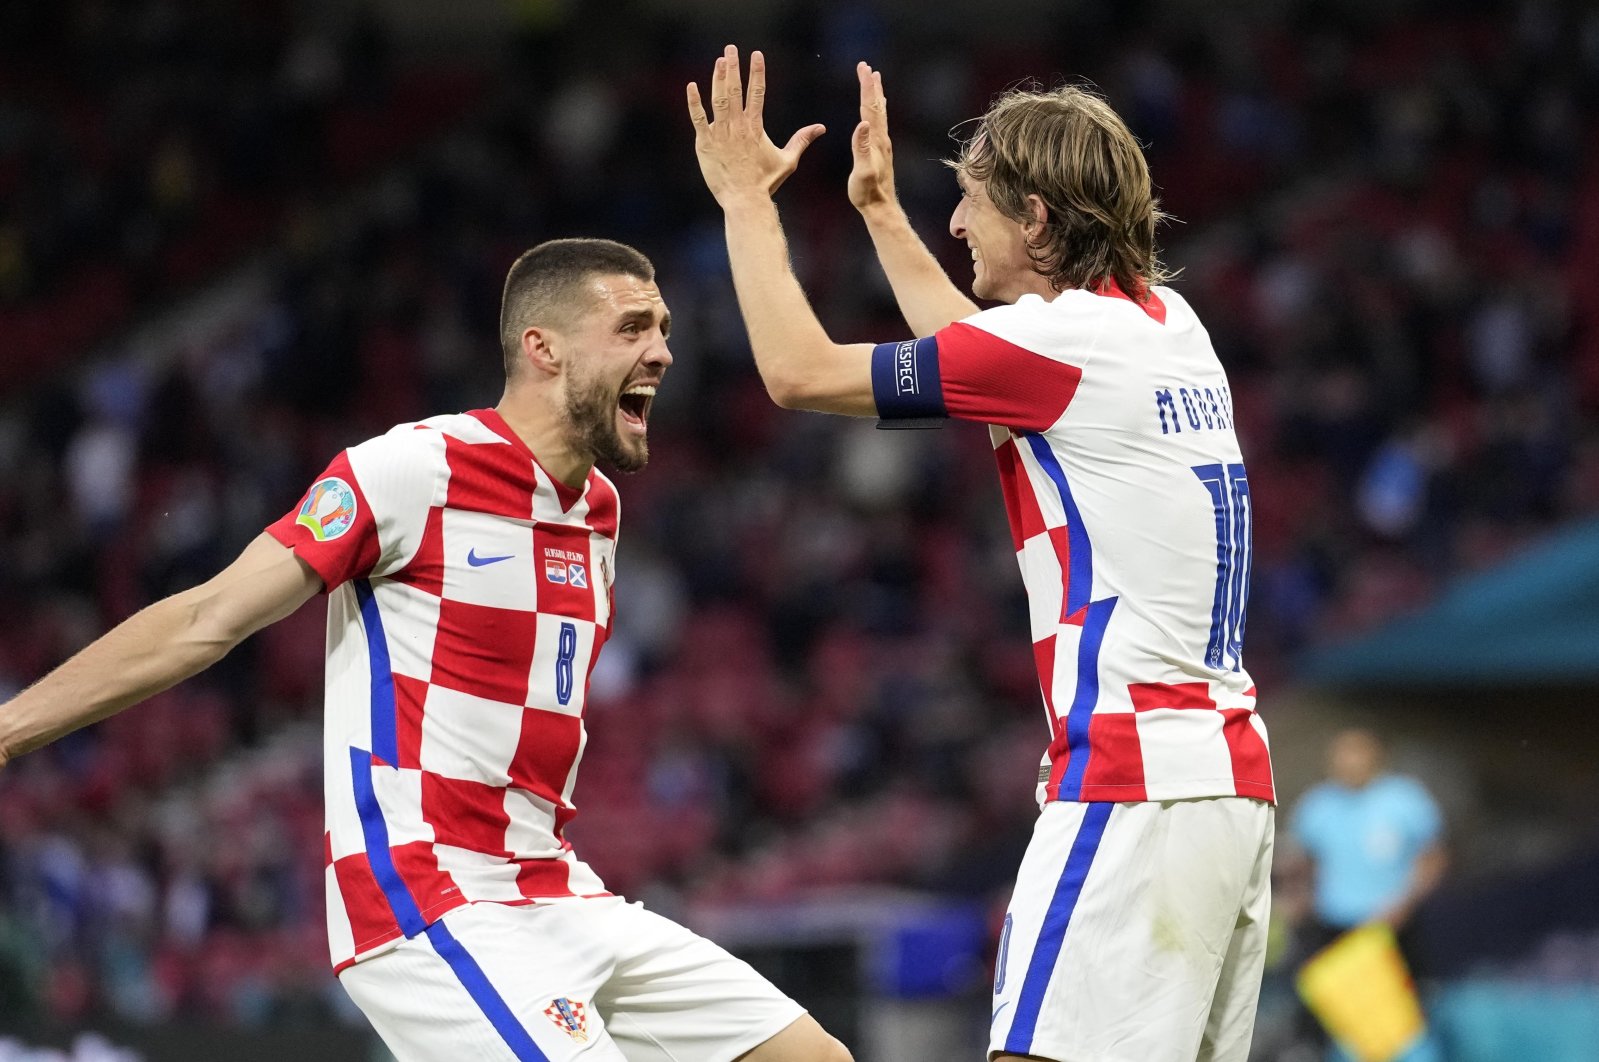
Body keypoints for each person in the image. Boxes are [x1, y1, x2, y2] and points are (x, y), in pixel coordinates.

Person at [0, 239, 852, 1062]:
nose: (663, 352)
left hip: (553, 886)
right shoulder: (411, 469)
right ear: (542, 348)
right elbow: (205, 619)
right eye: (633, 327)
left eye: (663, 327)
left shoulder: (596, 509)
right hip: (427, 892)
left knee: (808, 1055)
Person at [687, 46, 1274, 1062]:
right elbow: (985, 361)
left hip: (1133, 787)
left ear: (1037, 218)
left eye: (969, 204)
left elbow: (795, 373)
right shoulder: (1169, 327)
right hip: (1227, 789)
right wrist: (879, 214)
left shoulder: (1062, 351)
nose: (955, 223)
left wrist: (745, 201)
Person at [1289, 728, 1446, 1061]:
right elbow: (1302, 861)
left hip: (1394, 929)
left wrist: (1404, 902)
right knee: (1345, 1019)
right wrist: (1301, 901)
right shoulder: (1319, 805)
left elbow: (1432, 857)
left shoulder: (1404, 799)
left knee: (1403, 1019)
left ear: (1376, 757)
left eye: (1357, 753)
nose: (1349, 763)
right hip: (1337, 929)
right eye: (1342, 755)